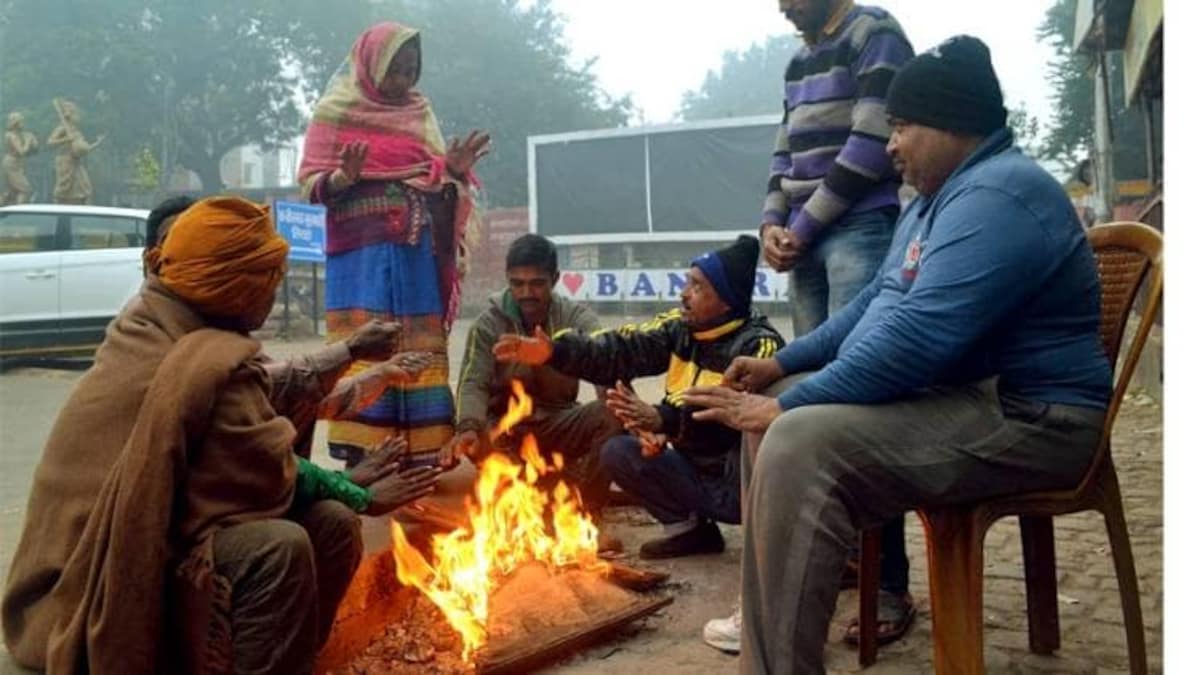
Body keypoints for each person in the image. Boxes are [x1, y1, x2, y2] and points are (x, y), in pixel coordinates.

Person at [683, 36, 1113, 673]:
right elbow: (872, 309)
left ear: (952, 124)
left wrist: (791, 405)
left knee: (799, 438)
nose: (890, 145)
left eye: (902, 127)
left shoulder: (998, 195)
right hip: (975, 399)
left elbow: (916, 339)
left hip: (1037, 419)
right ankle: (775, 618)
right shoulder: (933, 205)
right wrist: (780, 368)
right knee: (773, 406)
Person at [2, 196, 440, 674]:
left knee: (331, 523)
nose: (276, 294)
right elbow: (268, 476)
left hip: (141, 553)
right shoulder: (194, 356)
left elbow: (270, 402)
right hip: (81, 595)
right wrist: (357, 491)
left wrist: (345, 482)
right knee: (277, 548)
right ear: (242, 287)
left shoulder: (163, 320)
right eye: (272, 279)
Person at [494, 236, 784, 560]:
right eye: (688, 282)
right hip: (691, 467)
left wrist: (665, 420)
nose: (684, 294)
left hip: (738, 484)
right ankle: (690, 532)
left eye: (698, 287)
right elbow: (620, 349)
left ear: (726, 300)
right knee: (619, 452)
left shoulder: (759, 348)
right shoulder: (679, 327)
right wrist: (555, 352)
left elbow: (727, 423)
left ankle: (758, 542)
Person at [298, 21, 491, 469]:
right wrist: (343, 179)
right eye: (395, 68)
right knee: (364, 347)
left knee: (419, 344)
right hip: (359, 261)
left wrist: (454, 171)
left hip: (415, 258)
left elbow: (434, 175)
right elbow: (309, 185)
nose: (404, 79)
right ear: (370, 65)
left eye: (411, 69)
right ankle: (363, 455)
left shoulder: (420, 112)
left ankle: (422, 453)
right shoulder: (334, 113)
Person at [446, 233, 624, 514]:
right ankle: (526, 492)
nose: (526, 293)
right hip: (503, 432)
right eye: (517, 284)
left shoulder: (576, 318)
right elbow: (472, 383)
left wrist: (622, 408)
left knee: (614, 413)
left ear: (555, 279)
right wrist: (467, 428)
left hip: (558, 423)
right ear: (507, 279)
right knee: (466, 424)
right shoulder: (487, 324)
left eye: (537, 283)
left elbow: (605, 363)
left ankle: (586, 513)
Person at [47, 99, 103, 205]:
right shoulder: (62, 128)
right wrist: (67, 139)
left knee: (86, 188)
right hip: (65, 161)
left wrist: (96, 144)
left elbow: (80, 149)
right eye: (75, 113)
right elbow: (50, 142)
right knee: (63, 187)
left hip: (76, 162)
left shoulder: (75, 130)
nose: (77, 116)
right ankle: (56, 208)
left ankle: (84, 213)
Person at [3, 112, 38, 205]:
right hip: (12, 164)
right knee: (25, 189)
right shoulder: (11, 135)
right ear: (15, 123)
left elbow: (30, 152)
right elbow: (21, 152)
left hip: (16, 164)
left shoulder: (19, 135)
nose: (23, 124)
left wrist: (33, 143)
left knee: (12, 191)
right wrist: (28, 141)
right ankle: (19, 211)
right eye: (21, 121)